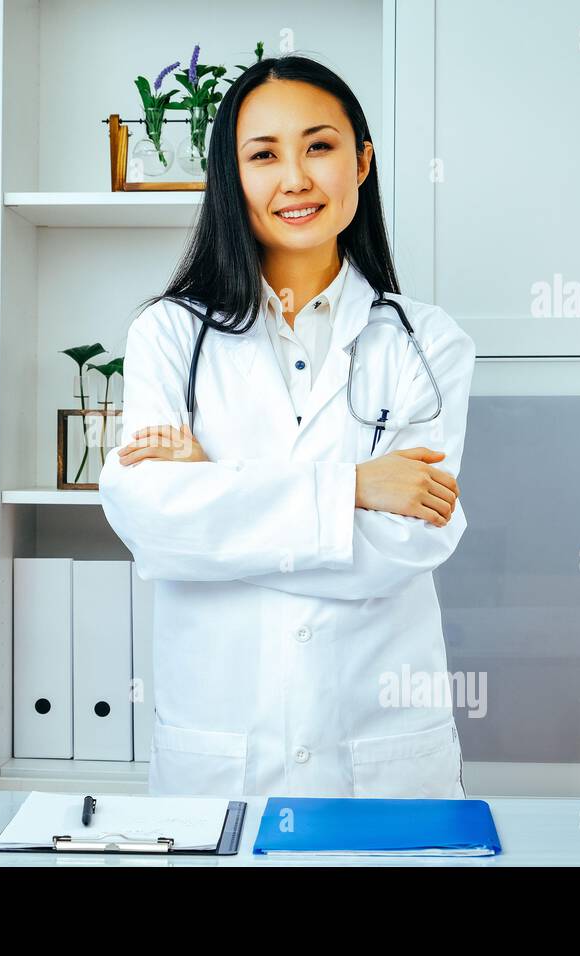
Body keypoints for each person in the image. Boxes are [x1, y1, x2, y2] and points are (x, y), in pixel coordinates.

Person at [98, 54, 477, 798]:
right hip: (222, 747)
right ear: (231, 176)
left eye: (320, 146)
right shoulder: (171, 333)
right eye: (263, 155)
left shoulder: (428, 343)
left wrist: (215, 493)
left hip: (380, 749)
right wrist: (357, 488)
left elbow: (414, 538)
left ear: (361, 162)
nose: (295, 178)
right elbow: (154, 525)